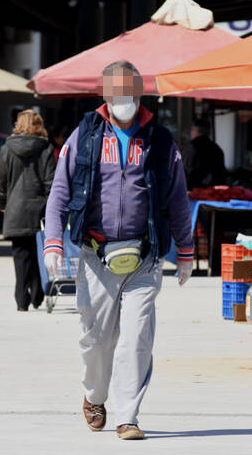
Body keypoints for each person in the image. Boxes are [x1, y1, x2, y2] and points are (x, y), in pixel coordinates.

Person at [43, 60, 193, 440]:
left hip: (145, 256)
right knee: (96, 339)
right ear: (105, 95)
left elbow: (177, 197)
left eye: (130, 93)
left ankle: (128, 416)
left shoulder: (160, 140)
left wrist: (187, 251)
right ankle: (94, 395)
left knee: (137, 337)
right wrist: (53, 242)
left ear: (139, 94)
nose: (124, 100)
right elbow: (60, 191)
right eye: (117, 93)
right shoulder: (86, 135)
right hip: (96, 256)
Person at [0, 110, 56, 311]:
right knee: (39, 252)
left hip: (15, 209)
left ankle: (21, 298)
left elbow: (1, 181)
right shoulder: (46, 148)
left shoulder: (7, 149)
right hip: (40, 210)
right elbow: (51, 182)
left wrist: (2, 203)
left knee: (20, 256)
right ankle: (38, 293)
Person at [182, 119, 227, 188]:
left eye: (191, 130)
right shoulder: (216, 148)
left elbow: (184, 170)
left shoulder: (190, 147)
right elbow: (222, 173)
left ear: (195, 131)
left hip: (194, 191)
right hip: (215, 191)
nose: (191, 133)